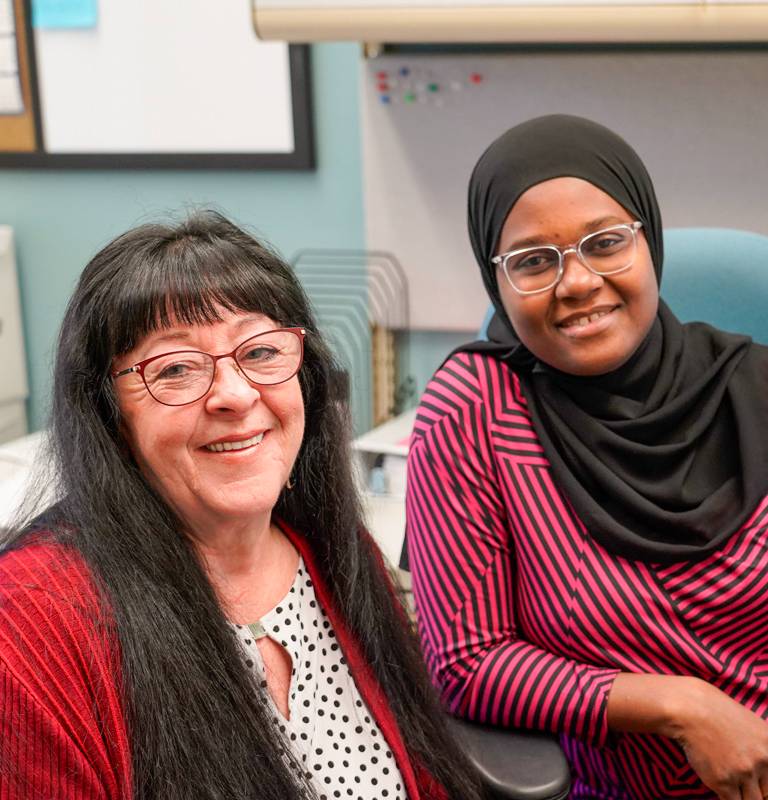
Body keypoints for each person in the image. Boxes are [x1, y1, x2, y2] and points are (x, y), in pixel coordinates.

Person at [0, 211, 481, 800]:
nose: (235, 394)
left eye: (260, 352)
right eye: (175, 368)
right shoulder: (31, 623)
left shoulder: (332, 547)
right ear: (109, 416)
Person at [405, 114, 768, 800]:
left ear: (649, 241)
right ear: (494, 279)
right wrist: (680, 705)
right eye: (533, 261)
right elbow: (467, 663)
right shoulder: (474, 413)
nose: (578, 282)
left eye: (606, 243)